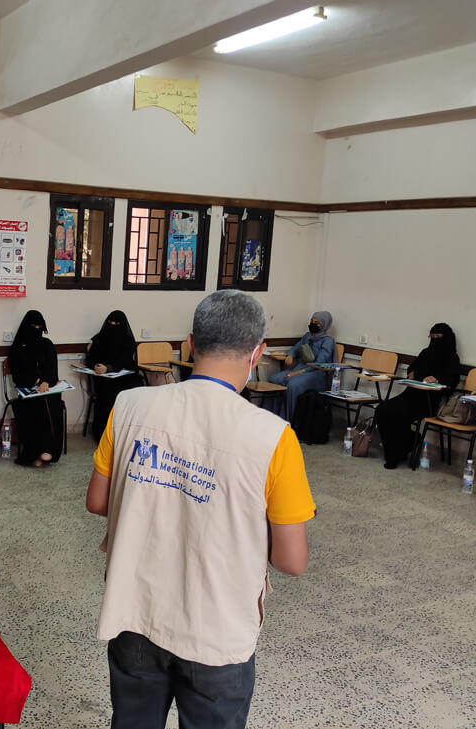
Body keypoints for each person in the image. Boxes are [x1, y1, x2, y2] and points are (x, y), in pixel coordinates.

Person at [85, 290, 315, 729]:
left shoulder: (130, 404)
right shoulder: (272, 437)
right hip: (216, 629)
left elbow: (98, 501)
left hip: (135, 612)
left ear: (190, 344)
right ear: (258, 352)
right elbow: (292, 560)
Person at [375, 323, 461, 469]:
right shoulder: (425, 352)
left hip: (428, 402)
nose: (434, 340)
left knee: (399, 414)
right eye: (432, 337)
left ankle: (397, 453)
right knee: (382, 409)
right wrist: (421, 375)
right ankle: (398, 447)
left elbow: (450, 381)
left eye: (438, 337)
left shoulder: (452, 358)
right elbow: (412, 370)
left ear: (447, 338)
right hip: (410, 395)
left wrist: (435, 378)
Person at [8, 310, 65, 467]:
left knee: (51, 405)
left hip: (48, 390)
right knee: (35, 407)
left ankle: (48, 450)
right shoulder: (18, 347)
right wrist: (35, 380)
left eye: (40, 326)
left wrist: (46, 381)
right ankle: (34, 452)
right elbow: (17, 374)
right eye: (33, 326)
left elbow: (52, 368)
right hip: (27, 390)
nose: (37, 329)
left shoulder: (47, 344)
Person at [267, 311, 336, 419]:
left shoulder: (328, 341)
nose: (313, 324)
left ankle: (290, 419)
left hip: (316, 373)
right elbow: (296, 348)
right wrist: (290, 355)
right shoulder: (307, 336)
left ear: (324, 324)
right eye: (312, 321)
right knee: (274, 379)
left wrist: (297, 373)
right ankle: (272, 417)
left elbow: (319, 363)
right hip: (300, 369)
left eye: (317, 322)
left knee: (293, 385)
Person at [86, 310, 143, 440]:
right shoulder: (99, 339)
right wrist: (96, 366)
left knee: (133, 391)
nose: (113, 325)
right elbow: (90, 358)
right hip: (104, 380)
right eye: (110, 322)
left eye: (116, 323)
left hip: (124, 378)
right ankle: (105, 435)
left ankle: (127, 435)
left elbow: (126, 361)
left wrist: (109, 368)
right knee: (107, 394)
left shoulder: (128, 341)